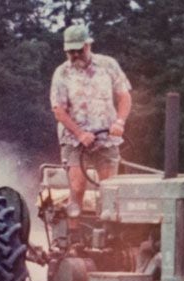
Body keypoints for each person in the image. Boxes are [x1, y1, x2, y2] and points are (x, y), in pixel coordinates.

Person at [50, 24, 132, 219]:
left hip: (106, 137)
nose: (76, 55)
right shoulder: (62, 73)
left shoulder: (108, 65)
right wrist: (80, 134)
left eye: (79, 50)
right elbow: (58, 111)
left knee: (110, 188)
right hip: (75, 139)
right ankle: (74, 238)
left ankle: (109, 235)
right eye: (71, 52)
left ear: (88, 45)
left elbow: (124, 96)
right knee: (77, 187)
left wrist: (119, 122)